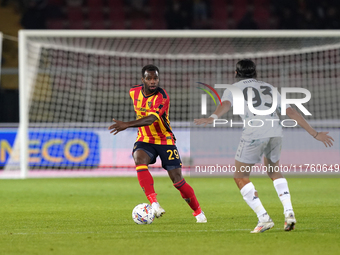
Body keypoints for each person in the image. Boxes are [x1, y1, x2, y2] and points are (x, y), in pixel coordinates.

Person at [194, 59, 334, 232]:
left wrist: (212, 117)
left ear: (236, 73)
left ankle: (264, 218)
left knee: (240, 176)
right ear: (255, 73)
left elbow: (226, 104)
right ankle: (289, 212)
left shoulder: (234, 89)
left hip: (255, 132)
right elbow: (291, 111)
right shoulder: (269, 87)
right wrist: (314, 133)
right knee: (274, 171)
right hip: (276, 130)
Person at [108, 64, 207, 223]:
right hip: (145, 139)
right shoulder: (133, 92)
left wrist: (127, 124)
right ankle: (154, 203)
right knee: (139, 159)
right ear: (143, 80)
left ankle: (198, 212)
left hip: (164, 140)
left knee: (178, 181)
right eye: (149, 78)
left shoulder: (163, 96)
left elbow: (151, 119)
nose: (153, 81)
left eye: (156, 78)